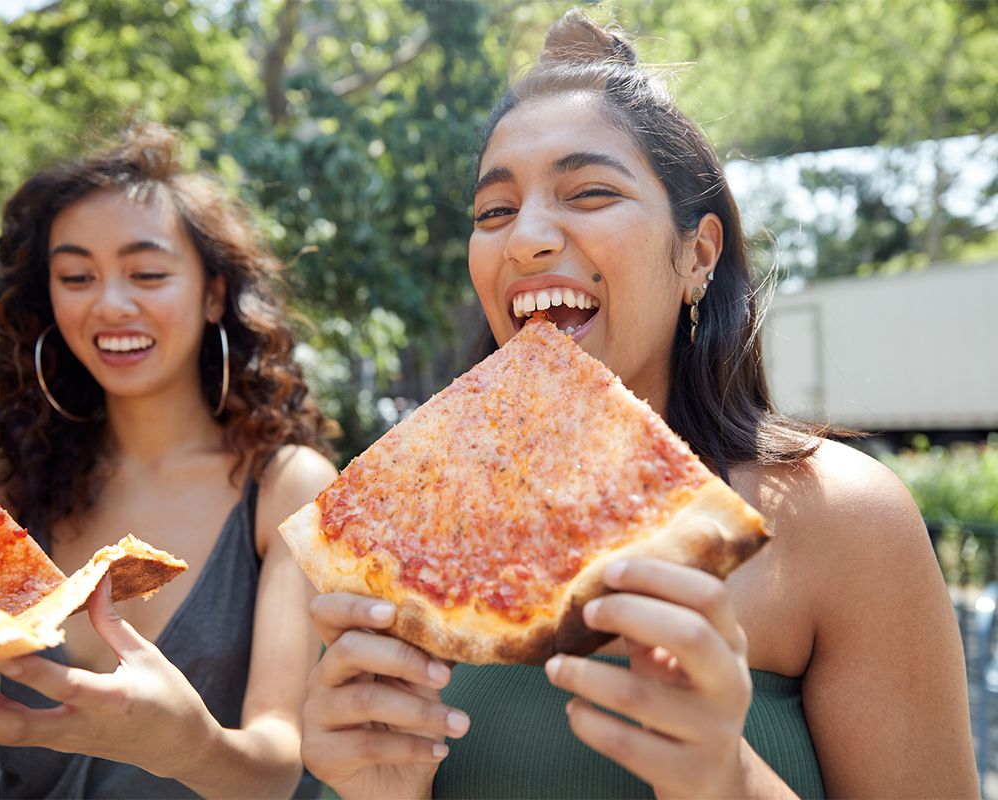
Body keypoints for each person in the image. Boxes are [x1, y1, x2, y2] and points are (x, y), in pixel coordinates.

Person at [297, 10, 979, 800]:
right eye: (494, 211)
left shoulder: (844, 519)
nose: (526, 238)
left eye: (588, 191)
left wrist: (730, 780)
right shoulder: (404, 530)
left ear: (697, 254)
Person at [0, 123, 338, 798]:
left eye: (147, 273)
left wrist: (191, 747)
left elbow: (278, 766)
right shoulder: (13, 484)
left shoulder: (285, 485)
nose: (111, 304)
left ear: (214, 293)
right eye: (76, 276)